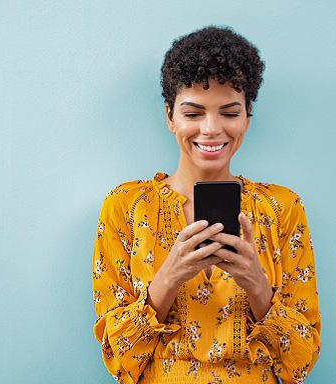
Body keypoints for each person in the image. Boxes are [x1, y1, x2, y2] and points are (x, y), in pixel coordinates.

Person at [92, 25, 321, 383]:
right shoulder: (125, 207)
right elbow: (120, 362)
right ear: (170, 117)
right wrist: (167, 279)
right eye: (193, 113)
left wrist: (257, 285)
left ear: (247, 117)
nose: (212, 129)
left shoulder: (282, 208)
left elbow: (301, 363)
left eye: (229, 113)